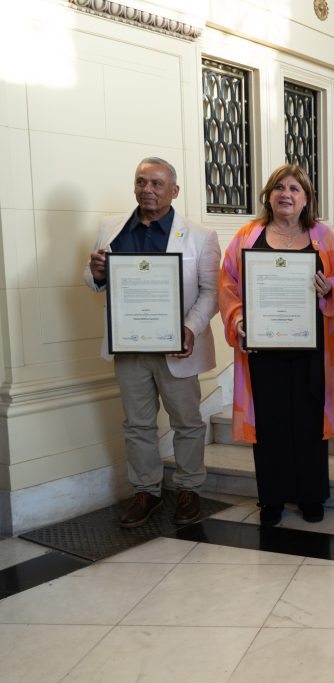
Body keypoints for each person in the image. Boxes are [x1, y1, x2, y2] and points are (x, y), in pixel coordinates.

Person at [84, 157, 220, 528]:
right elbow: (95, 276)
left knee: (187, 422)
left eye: (157, 184)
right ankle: (146, 490)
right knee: (138, 424)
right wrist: (95, 274)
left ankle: (190, 488)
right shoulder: (111, 228)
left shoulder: (200, 236)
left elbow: (211, 293)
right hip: (129, 347)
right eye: (141, 181)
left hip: (177, 347)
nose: (148, 189)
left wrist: (190, 329)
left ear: (174, 191)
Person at [219, 163, 334, 527]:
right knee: (270, 423)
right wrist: (238, 319)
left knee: (310, 422)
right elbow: (228, 283)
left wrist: (332, 289)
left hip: (312, 350)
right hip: (264, 350)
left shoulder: (322, 236)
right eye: (279, 187)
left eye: (295, 188)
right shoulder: (248, 235)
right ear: (269, 195)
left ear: (306, 197)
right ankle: (272, 498)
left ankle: (311, 495)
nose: (286, 194)